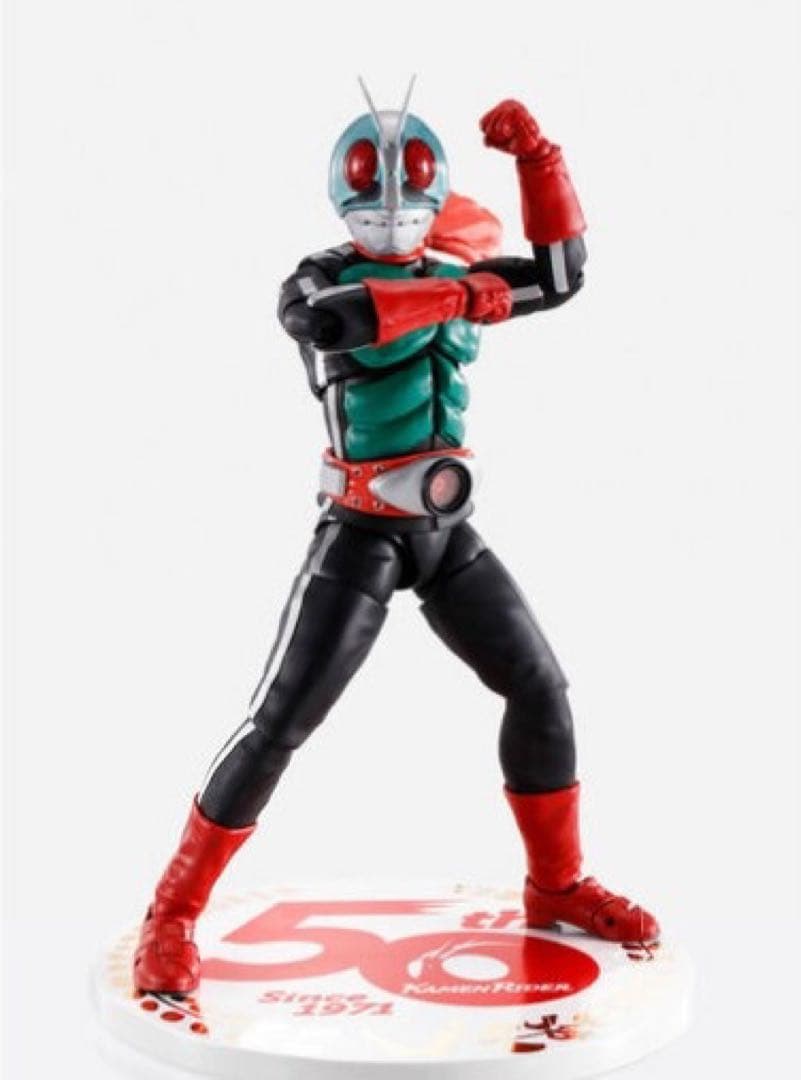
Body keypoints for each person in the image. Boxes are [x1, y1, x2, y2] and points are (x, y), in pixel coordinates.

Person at [133, 84, 659, 996]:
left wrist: (540, 163)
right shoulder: (320, 277)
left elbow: (561, 277)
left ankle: (556, 884)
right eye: (369, 182)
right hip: (361, 531)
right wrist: (462, 290)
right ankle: (171, 912)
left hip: (446, 531)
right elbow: (332, 322)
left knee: (539, 687)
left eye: (409, 182)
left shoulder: (455, 268)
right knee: (279, 722)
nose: (388, 202)